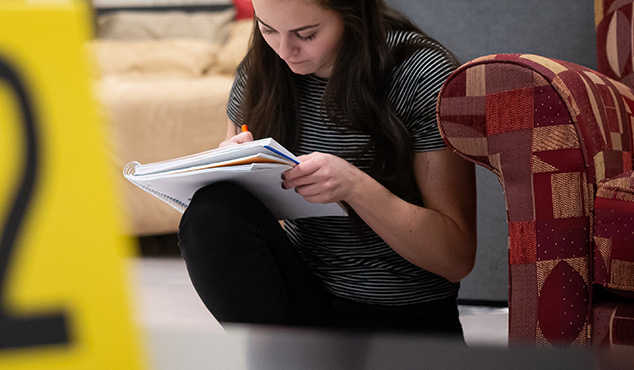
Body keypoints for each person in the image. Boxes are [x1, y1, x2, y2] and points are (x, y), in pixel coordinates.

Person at [177, 0, 477, 339]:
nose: (284, 50)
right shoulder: (263, 67)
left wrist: (355, 187)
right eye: (268, 29)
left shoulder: (420, 73)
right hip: (306, 301)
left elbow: (456, 258)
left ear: (352, 13)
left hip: (404, 314)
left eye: (306, 34)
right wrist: (232, 168)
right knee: (212, 211)